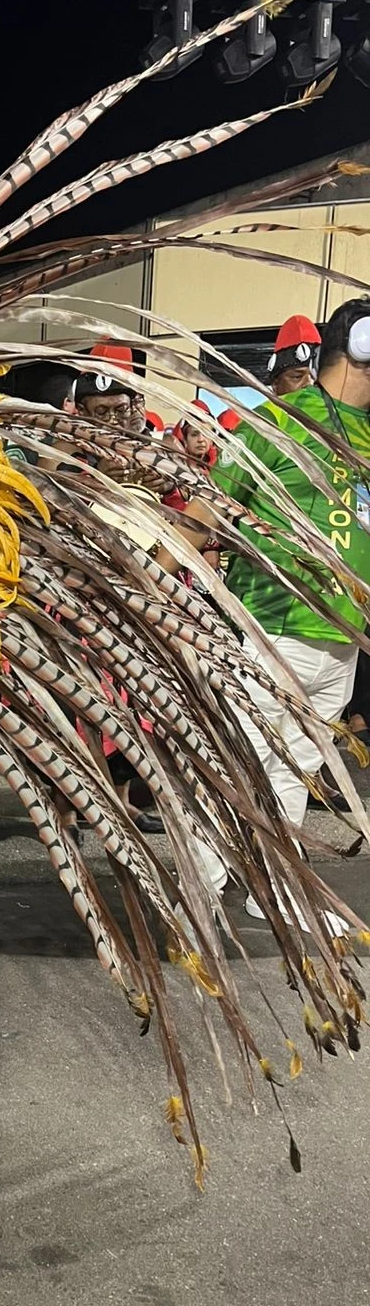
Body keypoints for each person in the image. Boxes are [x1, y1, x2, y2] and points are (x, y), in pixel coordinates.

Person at [214, 298, 370, 916]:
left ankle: (273, 888)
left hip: (341, 634)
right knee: (247, 756)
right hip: (275, 623)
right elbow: (209, 508)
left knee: (298, 762)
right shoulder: (281, 421)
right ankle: (198, 887)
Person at [267, 314, 321, 398]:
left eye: (316, 377)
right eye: (297, 377)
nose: (309, 384)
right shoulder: (260, 411)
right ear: (275, 384)